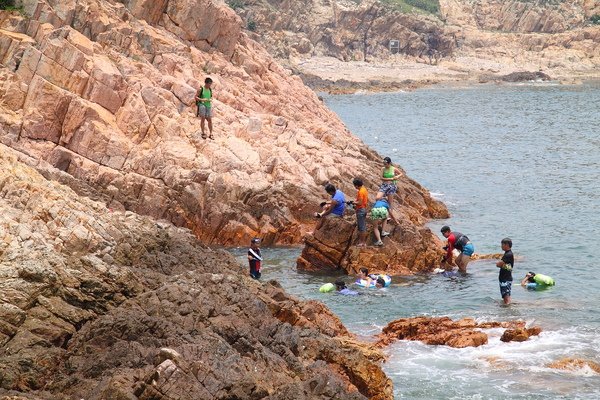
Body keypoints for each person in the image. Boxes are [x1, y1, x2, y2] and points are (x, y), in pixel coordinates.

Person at [376, 157, 402, 224]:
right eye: (384, 164)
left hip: (392, 186)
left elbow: (401, 174)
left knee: (390, 202)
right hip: (384, 185)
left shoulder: (393, 168)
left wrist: (397, 177)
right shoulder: (383, 169)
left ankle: (388, 216)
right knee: (378, 198)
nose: (385, 165)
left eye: (386, 164)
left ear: (389, 163)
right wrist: (391, 179)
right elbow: (381, 178)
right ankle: (382, 209)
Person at [496, 237, 514, 305]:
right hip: (505, 277)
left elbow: (499, 264)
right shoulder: (508, 253)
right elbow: (508, 266)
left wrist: (500, 264)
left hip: (505, 278)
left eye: (502, 244)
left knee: (506, 295)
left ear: (506, 245)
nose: (501, 246)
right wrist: (501, 265)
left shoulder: (508, 254)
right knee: (505, 294)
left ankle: (507, 309)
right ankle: (507, 308)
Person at [352, 178, 368, 247]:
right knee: (362, 226)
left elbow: (360, 202)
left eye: (355, 185)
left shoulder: (360, 191)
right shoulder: (364, 189)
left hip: (361, 210)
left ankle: (362, 243)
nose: (354, 187)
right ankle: (362, 241)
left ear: (357, 185)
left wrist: (354, 202)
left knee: (362, 227)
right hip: (363, 209)